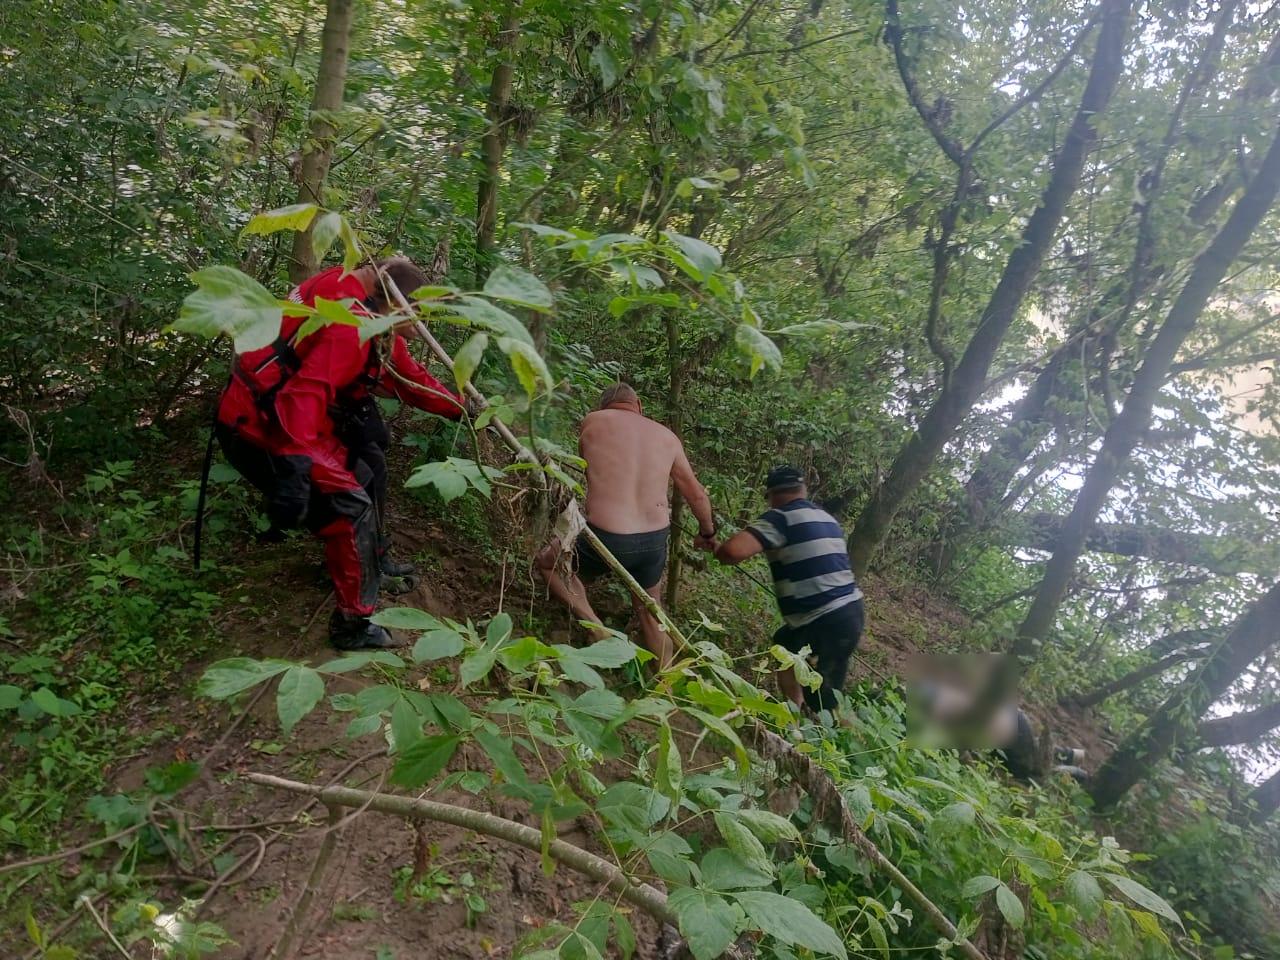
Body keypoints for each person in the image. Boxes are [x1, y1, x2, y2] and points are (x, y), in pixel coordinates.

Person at [215, 257, 465, 650]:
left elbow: (408, 377)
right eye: (415, 317)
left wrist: (460, 407)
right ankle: (352, 624)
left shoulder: (353, 292)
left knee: (370, 469)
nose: (420, 329)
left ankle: (370, 562)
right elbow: (306, 393)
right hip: (264, 427)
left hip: (279, 417)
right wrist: (294, 465)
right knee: (351, 503)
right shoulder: (351, 324)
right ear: (394, 305)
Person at [535, 383, 716, 668]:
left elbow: (589, 468)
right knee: (650, 608)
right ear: (639, 405)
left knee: (550, 563)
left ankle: (595, 625)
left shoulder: (593, 421)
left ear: (604, 405)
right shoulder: (668, 437)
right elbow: (696, 494)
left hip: (605, 535)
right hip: (653, 541)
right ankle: (667, 682)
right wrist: (708, 532)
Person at [705, 466, 864, 713]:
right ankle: (794, 711)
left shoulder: (781, 518)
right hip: (848, 612)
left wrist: (715, 547)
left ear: (771, 495)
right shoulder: (825, 517)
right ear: (802, 490)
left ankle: (826, 741)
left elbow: (732, 552)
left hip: (823, 620)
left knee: (822, 696)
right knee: (784, 647)